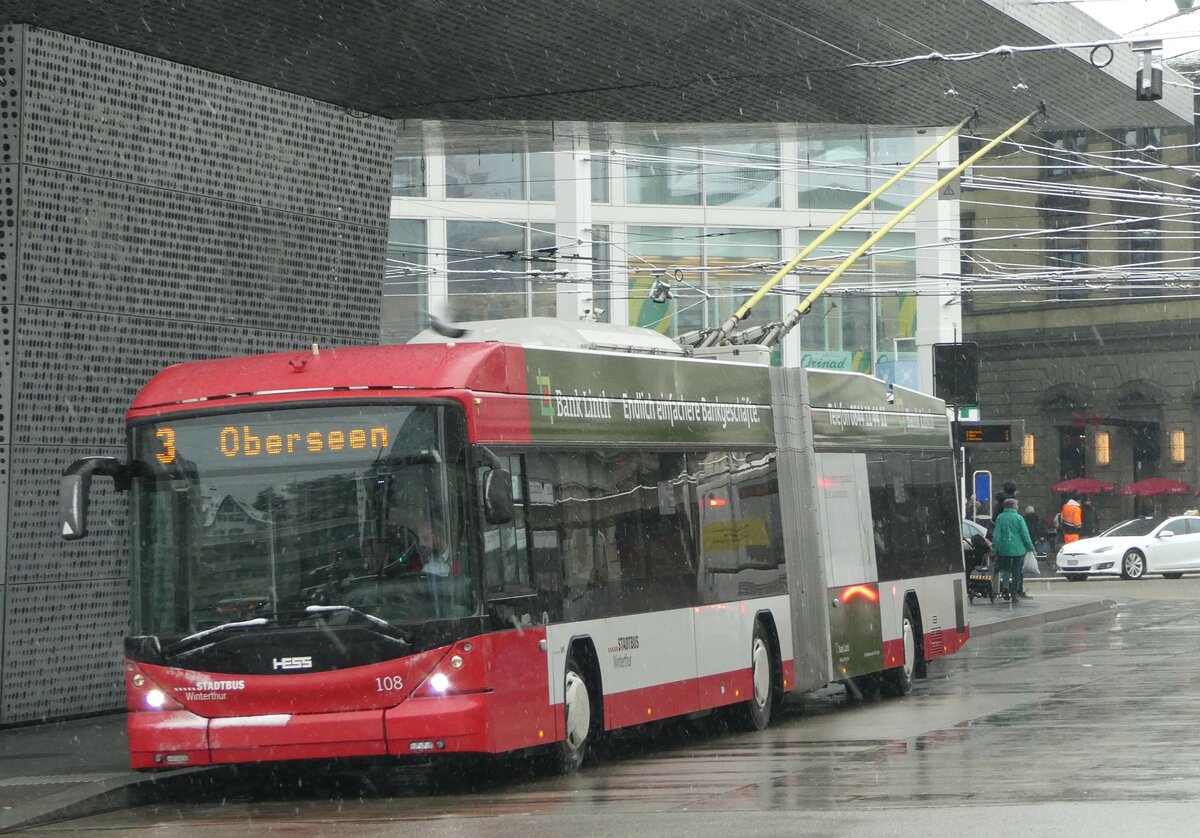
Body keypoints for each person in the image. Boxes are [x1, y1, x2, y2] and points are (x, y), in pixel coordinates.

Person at [993, 497, 1035, 602]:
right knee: (1016, 571)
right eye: (1017, 505)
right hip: (1018, 549)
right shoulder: (1019, 518)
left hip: (1004, 548)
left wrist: (995, 548)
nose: (1018, 507)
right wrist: (1030, 547)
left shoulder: (1000, 518)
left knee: (1006, 569)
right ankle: (1014, 593)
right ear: (1014, 506)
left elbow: (997, 535)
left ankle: (1006, 588)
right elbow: (1025, 535)